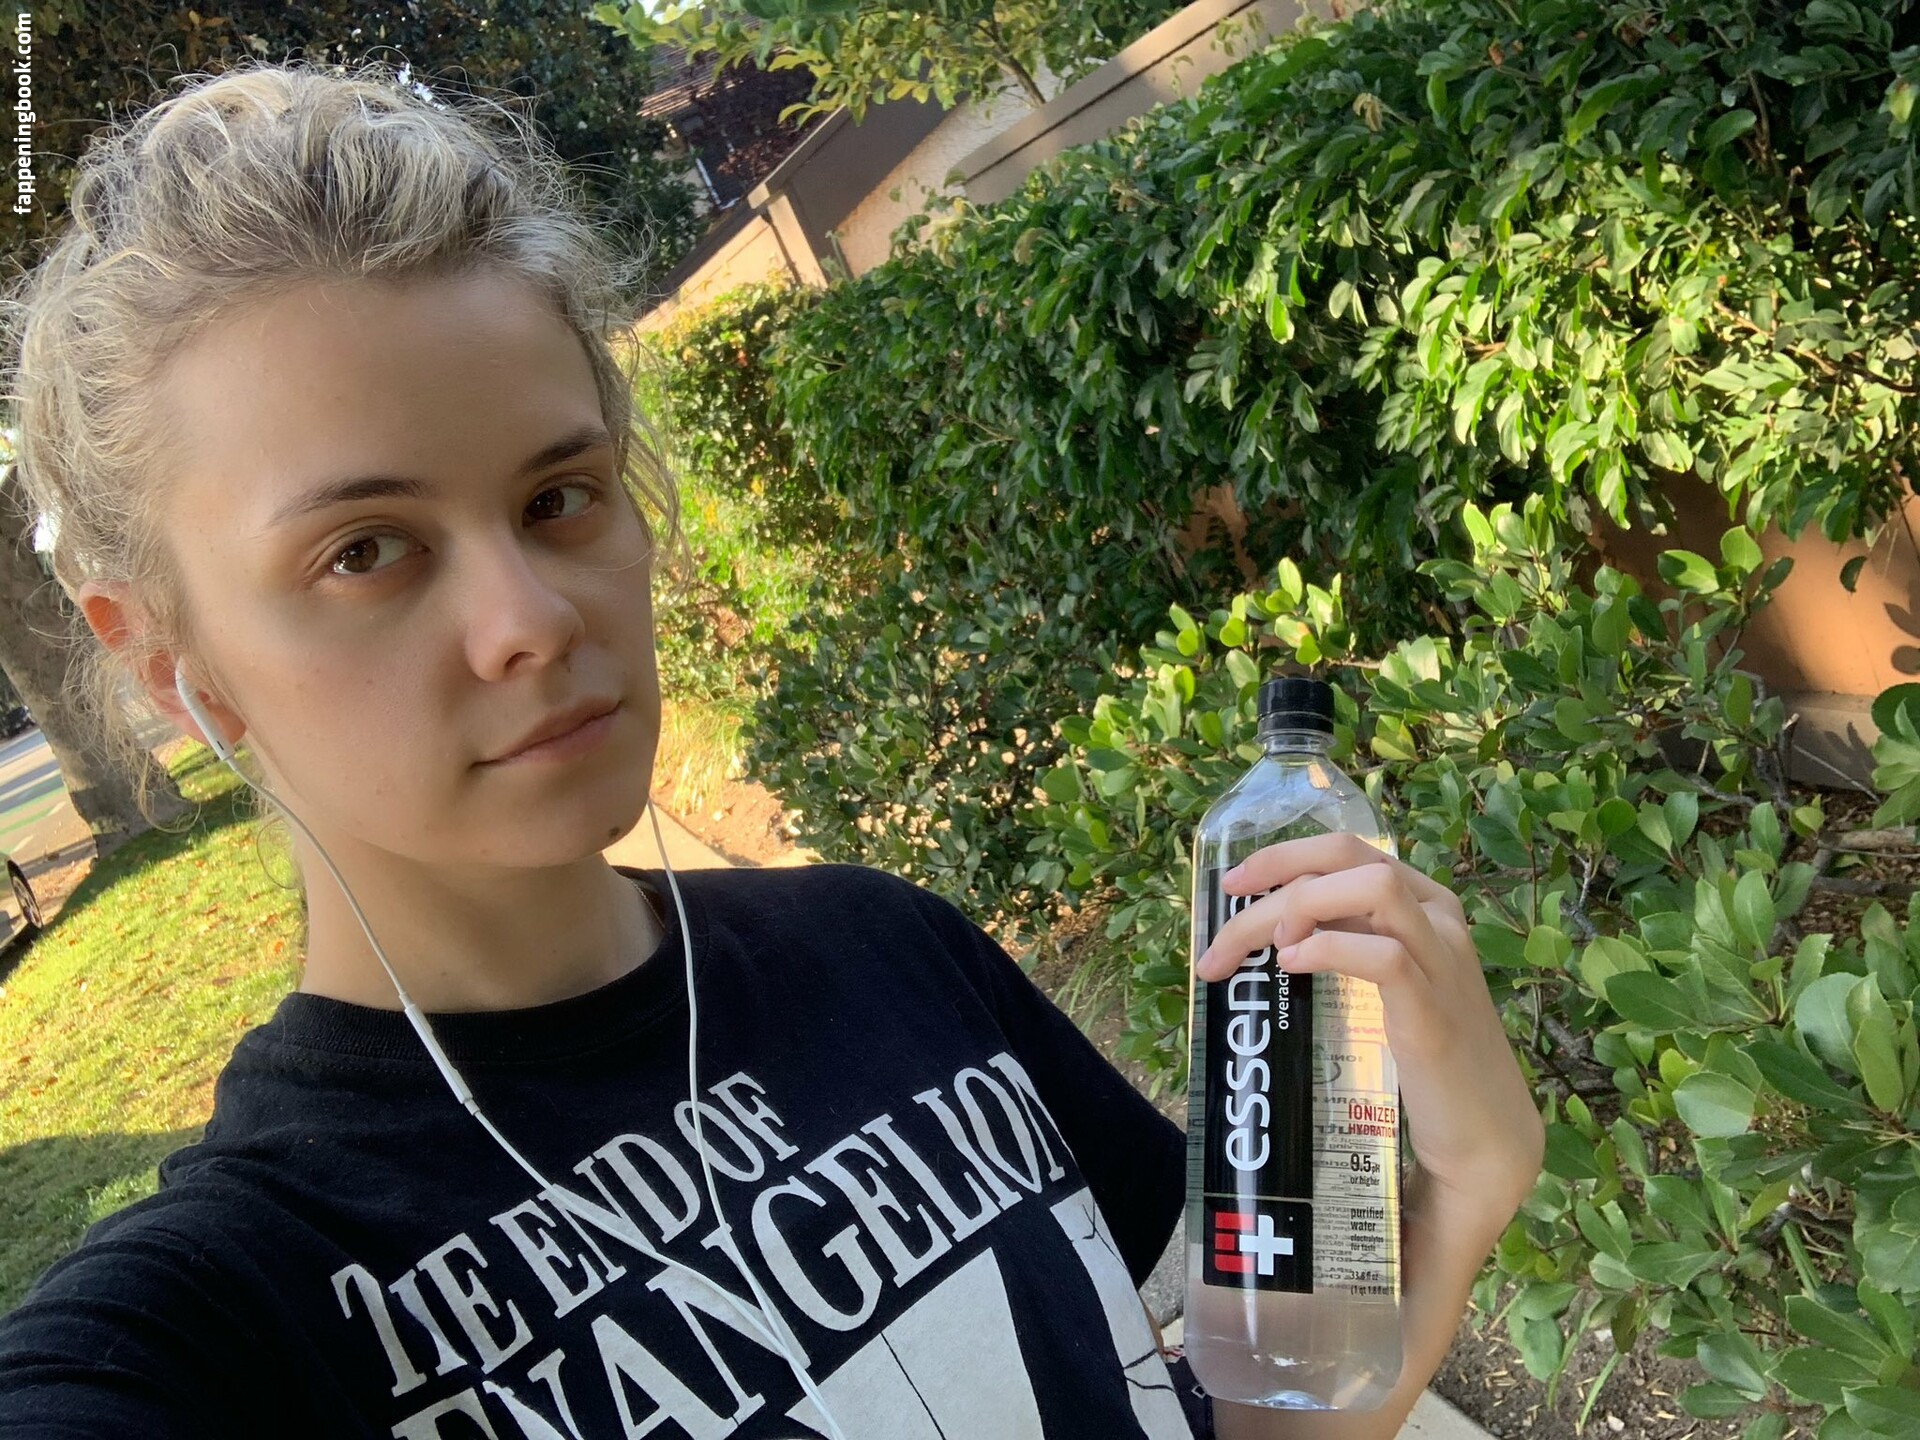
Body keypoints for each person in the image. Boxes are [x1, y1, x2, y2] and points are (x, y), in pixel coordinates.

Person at [0, 57, 1544, 1440]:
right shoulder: (228, 1316)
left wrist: (1459, 1191)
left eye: (558, 498)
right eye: (365, 551)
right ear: (169, 660)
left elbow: (1243, 1422)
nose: (530, 618)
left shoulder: (893, 955)